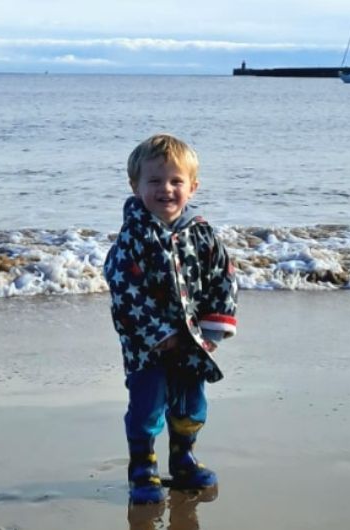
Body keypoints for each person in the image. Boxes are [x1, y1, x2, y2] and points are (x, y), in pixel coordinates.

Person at [104, 133, 238, 504]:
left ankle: (183, 458)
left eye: (176, 181)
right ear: (135, 186)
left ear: (192, 187)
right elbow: (124, 288)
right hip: (147, 346)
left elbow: (223, 275)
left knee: (191, 405)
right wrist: (157, 333)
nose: (166, 189)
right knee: (147, 405)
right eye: (154, 181)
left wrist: (215, 325)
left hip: (194, 340)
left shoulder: (204, 233)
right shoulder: (134, 237)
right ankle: (143, 468)